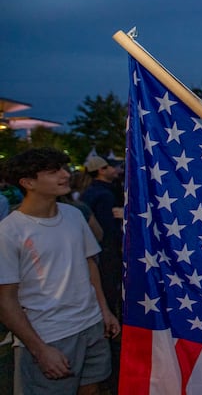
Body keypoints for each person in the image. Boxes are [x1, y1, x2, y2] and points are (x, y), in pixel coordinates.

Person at [0, 148, 120, 394]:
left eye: (64, 169)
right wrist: (40, 350)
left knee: (93, 389)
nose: (65, 175)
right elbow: (6, 300)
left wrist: (104, 311)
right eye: (53, 172)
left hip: (91, 326)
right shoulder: (9, 232)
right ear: (28, 182)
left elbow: (89, 264)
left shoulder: (74, 215)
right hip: (50, 334)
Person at [80, 156, 123, 318]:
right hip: (107, 248)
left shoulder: (90, 191)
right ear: (101, 170)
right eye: (111, 167)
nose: (115, 170)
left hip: (99, 247)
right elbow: (107, 227)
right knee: (109, 286)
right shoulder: (104, 194)